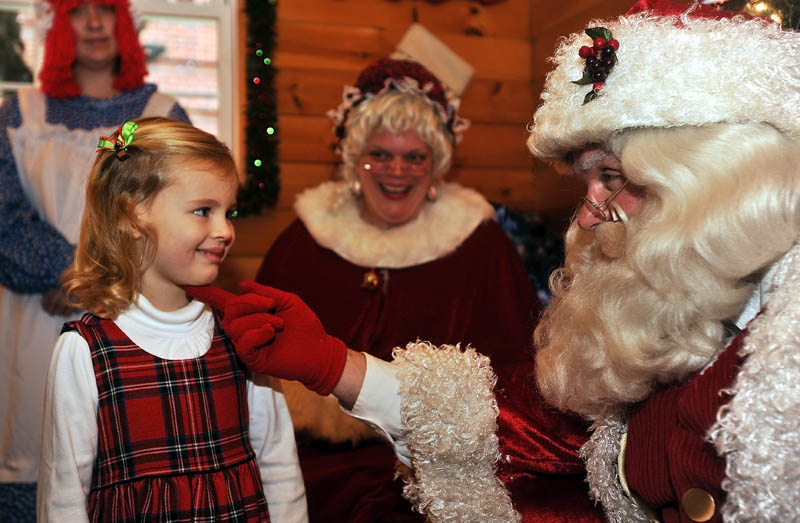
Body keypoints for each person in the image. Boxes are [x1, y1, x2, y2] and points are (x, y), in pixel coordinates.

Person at [192, 0, 800, 521]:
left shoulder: (782, 353)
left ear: (708, 181)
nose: (586, 218)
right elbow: (541, 416)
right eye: (584, 185)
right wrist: (335, 365)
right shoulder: (672, 310)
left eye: (611, 178)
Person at [252, 57, 571, 521]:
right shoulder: (302, 242)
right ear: (354, 160)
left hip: (444, 464)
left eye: (414, 156)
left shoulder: (480, 244)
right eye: (380, 154)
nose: (396, 169)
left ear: (435, 163)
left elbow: (519, 373)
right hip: (315, 460)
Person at [37, 117, 308, 522]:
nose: (225, 230)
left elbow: (279, 464)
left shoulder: (242, 333)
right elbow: (62, 494)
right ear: (132, 217)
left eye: (227, 212)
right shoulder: (85, 351)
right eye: (203, 211)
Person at [0, 0, 190, 510]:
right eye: (77, 10)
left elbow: (182, 213)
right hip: (39, 321)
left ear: (123, 22)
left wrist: (97, 277)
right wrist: (70, 272)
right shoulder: (22, 114)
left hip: (138, 319)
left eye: (105, 8)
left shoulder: (161, 116)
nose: (93, 22)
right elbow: (3, 214)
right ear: (57, 25)